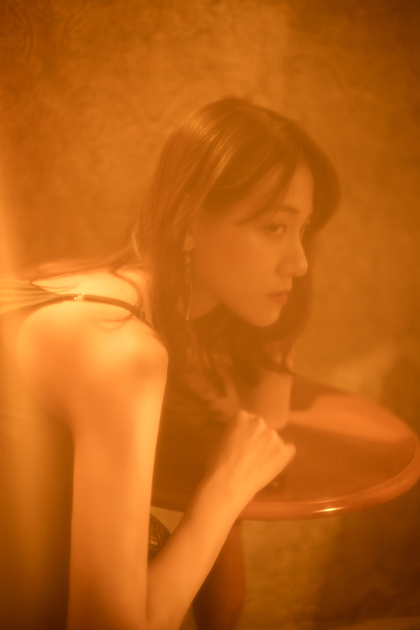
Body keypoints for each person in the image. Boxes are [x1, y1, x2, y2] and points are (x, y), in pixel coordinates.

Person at [0, 97, 339, 630]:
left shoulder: (86, 286)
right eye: (275, 227)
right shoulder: (121, 351)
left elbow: (261, 426)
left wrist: (277, 325)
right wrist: (223, 491)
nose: (299, 262)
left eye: (305, 230)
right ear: (188, 223)